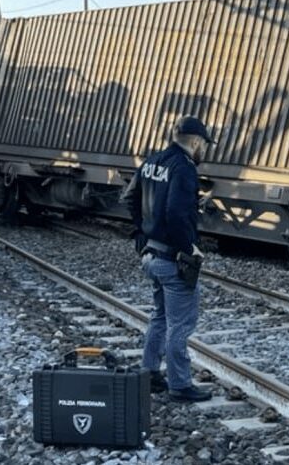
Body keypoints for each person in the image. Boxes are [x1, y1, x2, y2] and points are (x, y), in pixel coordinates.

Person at [121, 116, 214, 403]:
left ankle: (149, 372)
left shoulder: (152, 160)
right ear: (196, 142)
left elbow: (129, 198)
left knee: (160, 316)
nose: (204, 152)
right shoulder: (184, 169)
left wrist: (141, 233)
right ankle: (180, 385)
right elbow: (174, 212)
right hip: (172, 258)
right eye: (204, 146)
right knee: (180, 324)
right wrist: (189, 247)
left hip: (150, 254)